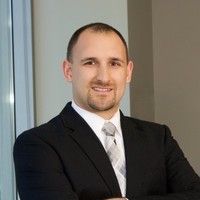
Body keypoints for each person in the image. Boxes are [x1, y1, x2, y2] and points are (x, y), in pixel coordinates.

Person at [13, 22, 200, 200]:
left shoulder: (158, 138)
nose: (103, 77)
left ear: (128, 72)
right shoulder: (37, 144)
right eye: (90, 63)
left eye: (114, 63)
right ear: (68, 71)